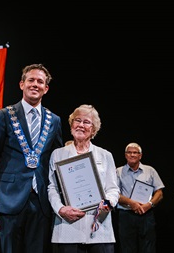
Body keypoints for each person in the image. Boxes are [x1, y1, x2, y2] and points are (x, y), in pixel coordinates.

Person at [0, 63, 63, 253]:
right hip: (9, 199)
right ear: (21, 84)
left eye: (40, 82)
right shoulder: (4, 115)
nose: (35, 84)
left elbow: (57, 162)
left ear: (46, 88)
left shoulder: (55, 121)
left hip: (41, 200)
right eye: (31, 80)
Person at [48, 104, 120, 253]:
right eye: (77, 120)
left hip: (99, 230)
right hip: (67, 230)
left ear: (93, 129)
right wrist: (61, 209)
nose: (81, 125)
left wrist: (108, 203)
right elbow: (52, 187)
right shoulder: (58, 154)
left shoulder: (105, 155)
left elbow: (113, 188)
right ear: (71, 124)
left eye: (86, 122)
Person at [116, 142, 165, 253]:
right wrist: (131, 203)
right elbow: (115, 194)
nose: (132, 155)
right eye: (129, 152)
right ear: (125, 155)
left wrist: (149, 204)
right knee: (127, 249)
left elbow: (159, 192)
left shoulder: (150, 170)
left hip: (146, 214)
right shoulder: (118, 172)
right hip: (126, 215)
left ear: (140, 156)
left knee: (148, 248)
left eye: (135, 152)